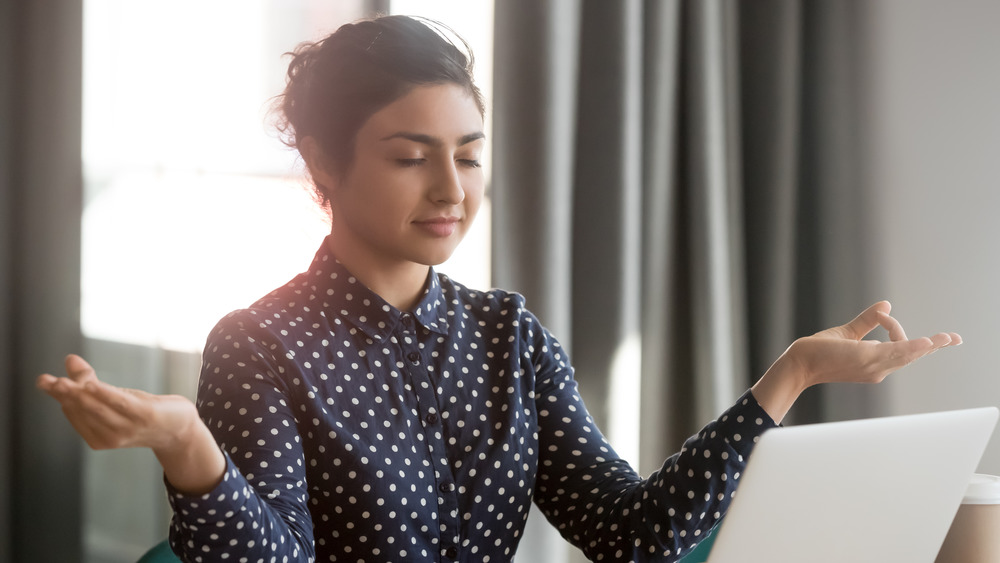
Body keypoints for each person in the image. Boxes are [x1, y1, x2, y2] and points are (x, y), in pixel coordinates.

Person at [37, 14, 961, 563]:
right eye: (411, 157)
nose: (452, 189)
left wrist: (788, 377)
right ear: (322, 161)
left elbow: (632, 535)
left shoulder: (506, 335)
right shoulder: (260, 342)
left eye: (470, 156)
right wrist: (190, 446)